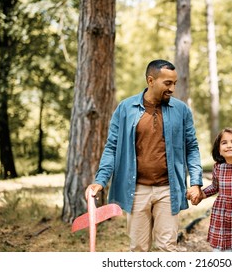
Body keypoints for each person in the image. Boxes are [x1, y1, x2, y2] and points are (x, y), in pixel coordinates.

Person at [85, 59, 203, 252]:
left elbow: (192, 147)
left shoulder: (181, 110)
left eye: (174, 83)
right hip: (136, 189)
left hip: (168, 189)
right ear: (150, 80)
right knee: (139, 249)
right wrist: (100, 180)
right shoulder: (125, 109)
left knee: (168, 247)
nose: (172, 88)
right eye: (167, 83)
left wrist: (196, 182)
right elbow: (112, 147)